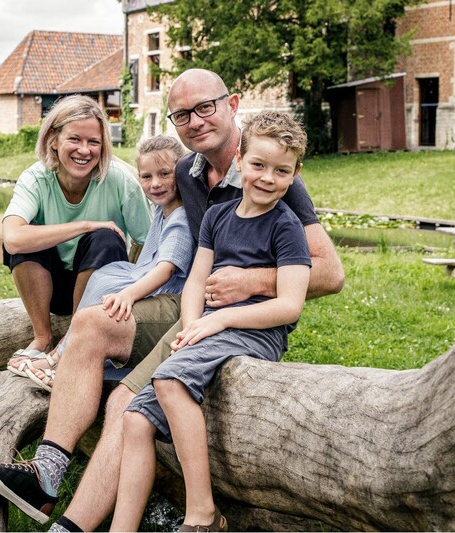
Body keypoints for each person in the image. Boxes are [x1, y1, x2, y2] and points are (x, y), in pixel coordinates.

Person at [0, 69, 345, 532]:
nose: (196, 121)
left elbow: (329, 272)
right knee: (90, 322)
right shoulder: (186, 170)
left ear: (232, 104)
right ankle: (44, 477)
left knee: (124, 403)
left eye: (206, 107)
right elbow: (169, 238)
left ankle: (75, 525)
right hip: (187, 303)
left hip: (230, 315)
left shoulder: (274, 174)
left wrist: (251, 281)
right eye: (182, 114)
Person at [110, 111, 311, 532]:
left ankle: (202, 513)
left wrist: (217, 323)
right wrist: (189, 324)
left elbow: (290, 305)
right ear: (239, 160)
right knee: (134, 417)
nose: (267, 178)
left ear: (294, 175)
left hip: (257, 331)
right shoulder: (218, 217)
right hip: (208, 325)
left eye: (281, 171)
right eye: (258, 165)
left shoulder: (286, 227)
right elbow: (196, 281)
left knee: (167, 381)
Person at [21, 135, 195, 391]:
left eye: (164, 174)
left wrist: (128, 294)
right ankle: (62, 353)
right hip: (145, 275)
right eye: (146, 177)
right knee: (106, 274)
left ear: (180, 173)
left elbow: (166, 270)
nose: (155, 184)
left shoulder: (180, 218)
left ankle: (60, 358)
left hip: (165, 293)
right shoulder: (162, 208)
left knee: (108, 285)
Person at [1, 94, 152, 378]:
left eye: (93, 142)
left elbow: (149, 242)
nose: (84, 150)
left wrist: (134, 291)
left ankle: (71, 342)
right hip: (53, 290)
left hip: (102, 291)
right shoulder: (35, 179)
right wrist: (85, 224)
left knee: (106, 239)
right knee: (28, 235)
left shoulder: (119, 180)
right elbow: (13, 239)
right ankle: (42, 338)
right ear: (53, 140)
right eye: (75, 139)